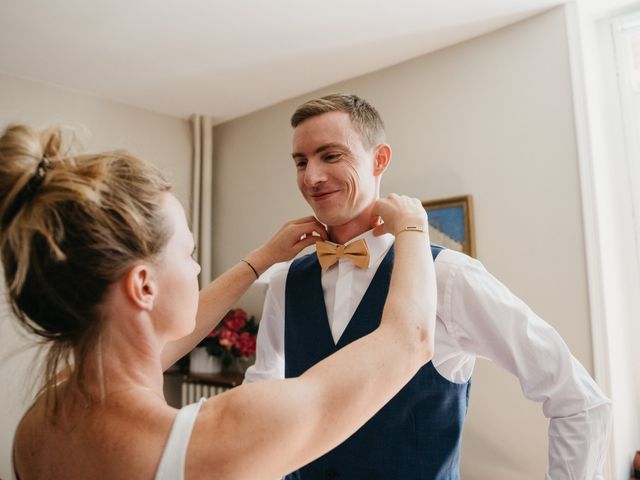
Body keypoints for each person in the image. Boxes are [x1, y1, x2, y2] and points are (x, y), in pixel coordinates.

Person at [1, 124, 439, 479]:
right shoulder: (221, 438)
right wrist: (414, 228)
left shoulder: (38, 427)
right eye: (188, 254)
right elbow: (410, 338)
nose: (195, 270)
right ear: (143, 287)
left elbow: (145, 341)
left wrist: (260, 260)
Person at [244, 93, 612, 479]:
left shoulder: (448, 276)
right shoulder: (285, 280)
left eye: (330, 156)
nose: (311, 177)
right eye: (301, 162)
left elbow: (578, 399)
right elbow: (260, 395)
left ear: (380, 159)